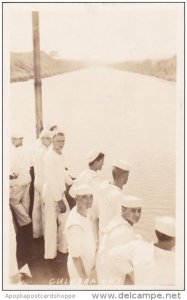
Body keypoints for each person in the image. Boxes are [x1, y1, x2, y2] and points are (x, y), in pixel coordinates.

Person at [107, 216, 175, 286]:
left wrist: (131, 272)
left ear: (155, 232)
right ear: (174, 239)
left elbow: (112, 253)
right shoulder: (177, 260)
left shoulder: (138, 247)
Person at [96, 195, 143, 284]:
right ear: (123, 210)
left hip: (103, 267)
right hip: (111, 275)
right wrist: (133, 275)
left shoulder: (116, 220)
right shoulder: (124, 231)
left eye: (139, 211)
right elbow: (119, 260)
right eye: (133, 210)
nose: (137, 214)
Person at [42, 129, 73, 259]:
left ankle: (62, 247)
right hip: (51, 194)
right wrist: (59, 200)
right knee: (50, 225)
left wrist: (71, 181)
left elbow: (63, 173)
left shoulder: (59, 154)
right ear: (52, 141)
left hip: (59, 193)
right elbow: (51, 180)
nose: (61, 143)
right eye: (58, 141)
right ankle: (49, 255)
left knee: (65, 221)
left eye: (63, 141)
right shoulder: (49, 157)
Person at [69, 150, 105, 243]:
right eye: (102, 161)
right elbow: (99, 199)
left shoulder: (82, 174)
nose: (103, 164)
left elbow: (71, 192)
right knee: (94, 239)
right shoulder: (95, 178)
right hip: (92, 213)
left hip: (82, 211)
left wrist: (81, 204)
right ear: (96, 162)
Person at [65, 184, 97, 285]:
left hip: (89, 262)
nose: (89, 200)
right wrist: (85, 279)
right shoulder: (75, 225)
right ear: (76, 199)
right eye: (84, 197)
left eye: (91, 196)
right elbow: (75, 256)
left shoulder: (85, 212)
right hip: (79, 271)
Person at [98, 160, 131, 239]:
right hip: (111, 237)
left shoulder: (103, 186)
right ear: (125, 176)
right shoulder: (119, 197)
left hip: (102, 233)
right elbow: (121, 223)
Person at [9, 132, 32, 227]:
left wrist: (12, 175)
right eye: (12, 139)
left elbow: (16, 168)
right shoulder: (26, 150)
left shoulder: (17, 151)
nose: (12, 141)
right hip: (27, 179)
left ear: (21, 139)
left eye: (14, 139)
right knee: (25, 202)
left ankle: (26, 222)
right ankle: (26, 228)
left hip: (20, 180)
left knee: (12, 200)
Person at [32, 129, 51, 238]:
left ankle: (37, 232)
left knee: (37, 208)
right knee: (45, 209)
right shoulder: (44, 152)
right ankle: (45, 234)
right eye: (48, 138)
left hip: (38, 181)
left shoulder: (38, 150)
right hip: (43, 182)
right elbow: (46, 170)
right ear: (42, 139)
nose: (50, 140)